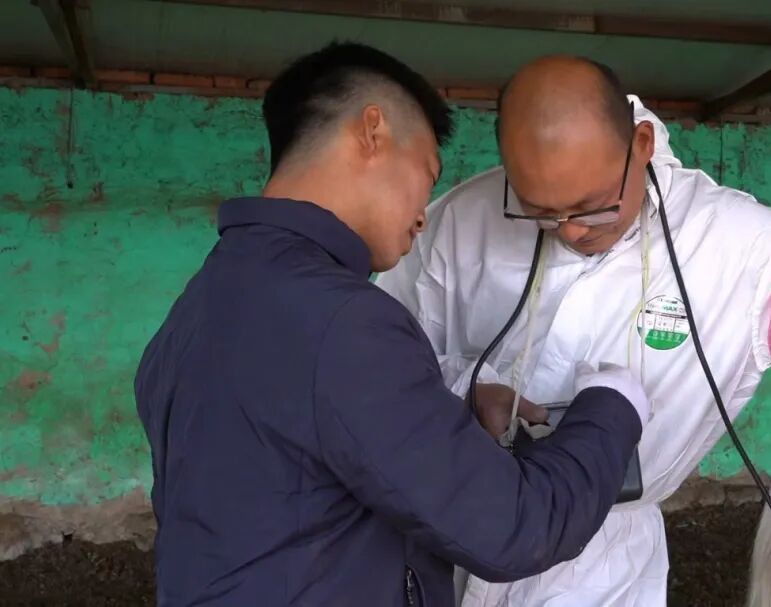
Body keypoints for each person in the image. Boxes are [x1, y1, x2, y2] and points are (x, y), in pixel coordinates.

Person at [375, 55, 771, 606]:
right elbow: (376, 357)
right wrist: (464, 392)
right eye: (538, 211)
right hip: (447, 536)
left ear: (640, 145)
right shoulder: (460, 221)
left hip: (603, 574)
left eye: (592, 206)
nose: (569, 230)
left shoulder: (740, 247)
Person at [133, 42, 655, 607]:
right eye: (427, 176)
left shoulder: (198, 308)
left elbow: (297, 471)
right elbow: (516, 528)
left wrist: (447, 412)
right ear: (372, 132)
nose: (423, 216)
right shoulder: (343, 319)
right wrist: (612, 407)